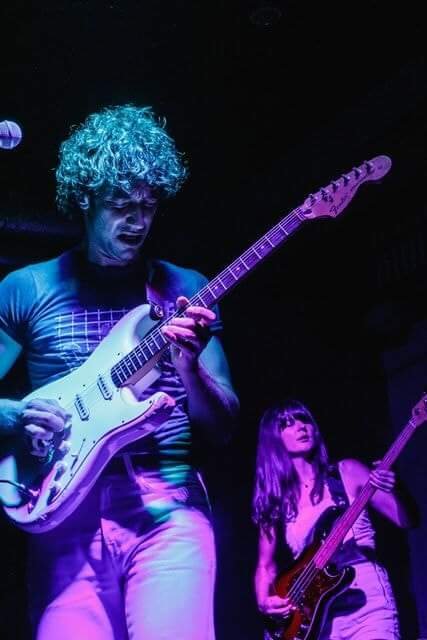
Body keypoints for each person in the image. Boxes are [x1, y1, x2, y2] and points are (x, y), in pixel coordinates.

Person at [0, 104, 239, 639]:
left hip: (167, 504)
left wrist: (190, 368)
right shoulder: (27, 288)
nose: (138, 221)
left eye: (149, 205)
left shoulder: (184, 287)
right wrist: (17, 414)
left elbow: (223, 425)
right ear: (85, 198)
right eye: (121, 205)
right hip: (62, 512)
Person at [252, 399, 416, 640]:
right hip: (317, 615)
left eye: (304, 419)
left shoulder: (347, 471)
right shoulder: (276, 501)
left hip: (366, 600)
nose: (301, 427)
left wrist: (396, 484)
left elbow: (406, 520)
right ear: (273, 438)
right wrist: (263, 601)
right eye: (288, 423)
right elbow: (265, 565)